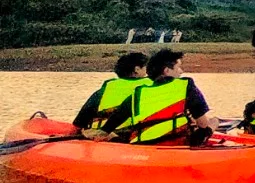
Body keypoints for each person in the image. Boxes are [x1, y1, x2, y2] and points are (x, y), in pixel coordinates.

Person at [89, 48, 220, 145]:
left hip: (141, 145)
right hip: (173, 146)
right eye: (178, 67)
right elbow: (203, 124)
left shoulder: (138, 92)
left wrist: (97, 135)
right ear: (167, 71)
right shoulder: (187, 85)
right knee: (213, 121)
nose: (181, 71)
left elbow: (109, 126)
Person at [73, 52, 151, 131]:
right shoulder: (149, 86)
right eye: (146, 68)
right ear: (137, 69)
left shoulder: (105, 89)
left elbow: (81, 120)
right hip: (128, 135)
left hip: (98, 132)